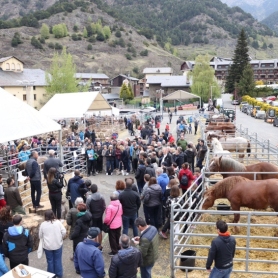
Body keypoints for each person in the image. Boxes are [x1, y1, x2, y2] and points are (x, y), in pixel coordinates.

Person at [39, 210, 66, 278]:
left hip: (47, 246)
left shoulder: (43, 224)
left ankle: (51, 275)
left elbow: (40, 235)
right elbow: (64, 231)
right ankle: (59, 275)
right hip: (58, 244)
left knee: (50, 261)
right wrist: (60, 237)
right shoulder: (58, 223)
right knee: (58, 260)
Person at [86, 184, 106, 249]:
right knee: (100, 231)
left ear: (91, 190)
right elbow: (104, 207)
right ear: (97, 189)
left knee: (93, 232)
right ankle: (100, 246)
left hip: (92, 217)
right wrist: (101, 213)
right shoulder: (102, 197)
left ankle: (95, 246)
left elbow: (87, 208)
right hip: (100, 216)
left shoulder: (89, 198)